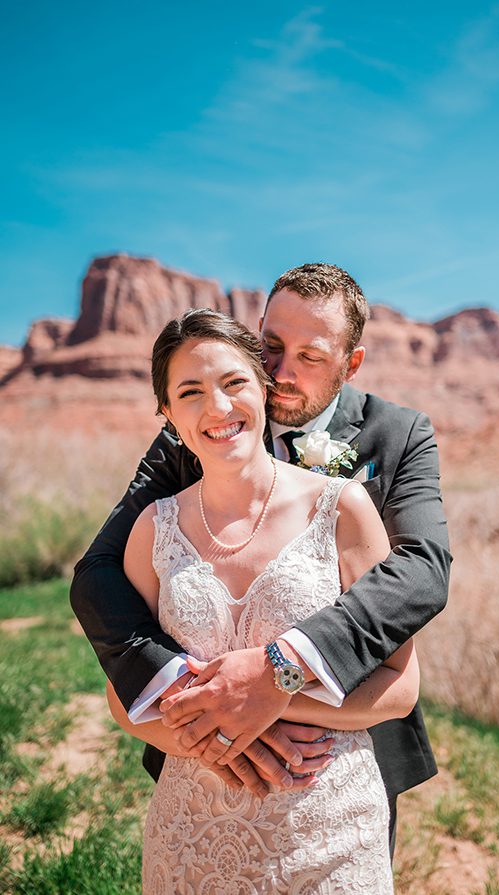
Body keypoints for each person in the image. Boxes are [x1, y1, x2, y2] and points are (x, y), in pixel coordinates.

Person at [71, 263, 450, 856]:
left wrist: (281, 672)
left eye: (312, 356)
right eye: (270, 347)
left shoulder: (398, 435)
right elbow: (98, 572)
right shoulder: (194, 431)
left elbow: (422, 569)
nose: (282, 371)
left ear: (351, 365)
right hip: (198, 761)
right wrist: (195, 702)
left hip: (344, 757)